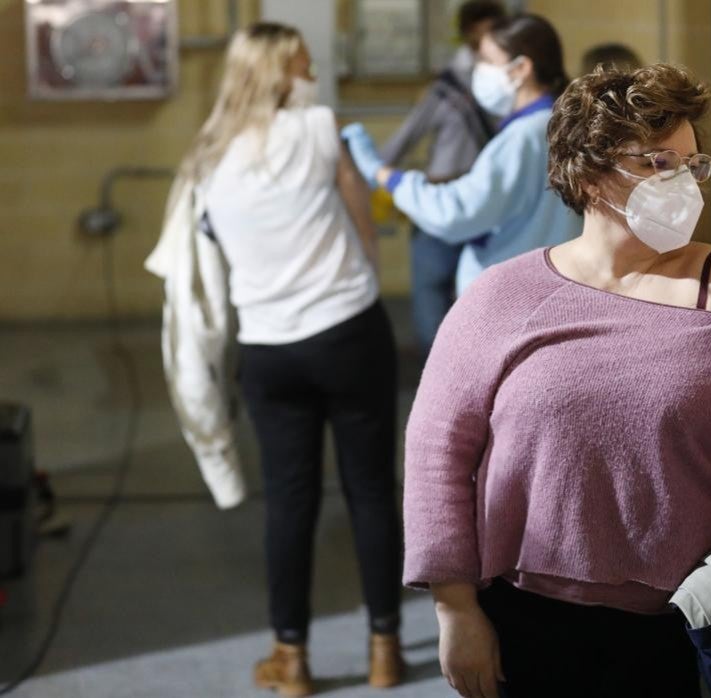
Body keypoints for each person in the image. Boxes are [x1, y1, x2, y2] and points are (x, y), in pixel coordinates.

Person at [402, 64, 711, 698]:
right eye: (658, 164)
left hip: (695, 623)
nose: (683, 184)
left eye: (691, 164)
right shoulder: (504, 296)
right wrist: (454, 608)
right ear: (589, 173)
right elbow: (438, 449)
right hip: (528, 616)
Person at [180, 22, 404, 696]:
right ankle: (385, 650)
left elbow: (209, 252)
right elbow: (360, 215)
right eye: (303, 62)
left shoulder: (206, 157)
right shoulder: (317, 127)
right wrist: (359, 271)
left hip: (270, 348)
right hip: (349, 331)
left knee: (289, 501)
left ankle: (293, 659)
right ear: (280, 70)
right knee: (370, 491)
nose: (310, 72)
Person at [341, 13, 582, 296]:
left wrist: (386, 176)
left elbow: (455, 212)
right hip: (550, 286)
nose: (477, 70)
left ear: (521, 69)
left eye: (488, 61)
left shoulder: (523, 136)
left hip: (513, 295)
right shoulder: (561, 122)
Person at [380, 0, 505, 356]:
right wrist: (378, 173)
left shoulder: (506, 86)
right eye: (481, 32)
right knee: (433, 292)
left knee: (476, 295)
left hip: (482, 200)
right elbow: (406, 136)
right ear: (467, 34)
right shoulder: (449, 86)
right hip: (442, 193)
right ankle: (435, 376)